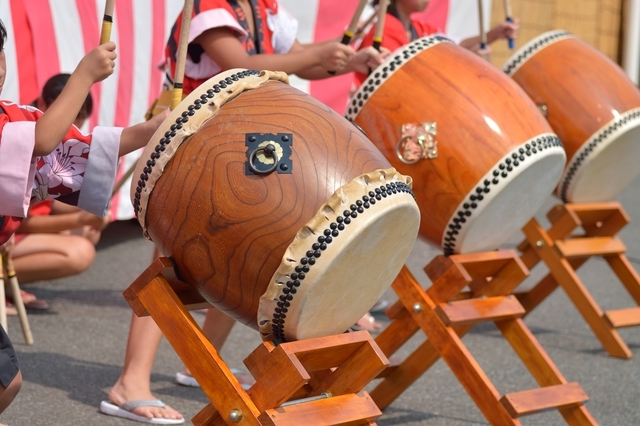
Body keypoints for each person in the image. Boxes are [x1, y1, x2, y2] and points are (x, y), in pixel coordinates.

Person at [102, 1, 390, 424]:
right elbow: (242, 62)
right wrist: (315, 55)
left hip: (244, 139)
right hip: (196, 144)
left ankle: (200, 363)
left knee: (238, 251)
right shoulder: (208, 7)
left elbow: (304, 60)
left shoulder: (262, 7)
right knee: (167, 267)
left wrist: (342, 58)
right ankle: (130, 382)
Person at [0, 18, 167, 417]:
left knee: (6, 381)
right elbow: (43, 141)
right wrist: (85, 75)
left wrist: (153, 130)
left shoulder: (14, 116)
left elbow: (72, 151)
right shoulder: (24, 126)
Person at [6, 74, 106, 315]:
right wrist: (79, 218)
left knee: (87, 232)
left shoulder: (56, 143)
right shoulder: (29, 138)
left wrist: (88, 210)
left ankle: (9, 285)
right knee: (81, 250)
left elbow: (45, 203)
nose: (72, 124)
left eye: (78, 118)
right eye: (67, 114)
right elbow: (21, 220)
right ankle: (5, 283)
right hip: (7, 233)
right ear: (43, 105)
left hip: (17, 229)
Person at [354, 0, 519, 86]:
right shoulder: (383, 29)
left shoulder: (418, 28)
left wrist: (492, 35)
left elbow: (452, 47)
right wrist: (465, 66)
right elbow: (407, 80)